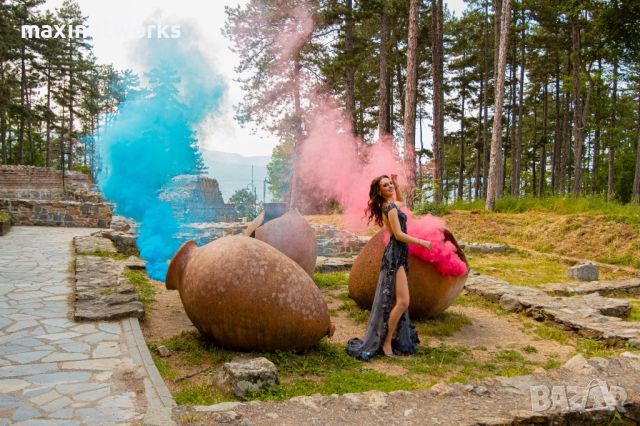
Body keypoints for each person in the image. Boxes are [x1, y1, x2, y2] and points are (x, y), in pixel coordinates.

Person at [345, 174, 431, 360]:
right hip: (395, 255)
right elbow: (398, 235)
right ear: (379, 191)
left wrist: (398, 187)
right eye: (386, 185)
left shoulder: (391, 204)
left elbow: (403, 203)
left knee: (399, 301)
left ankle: (389, 337)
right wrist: (421, 242)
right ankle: (386, 341)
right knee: (403, 301)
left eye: (390, 183)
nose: (390, 186)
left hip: (399, 254)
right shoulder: (389, 208)